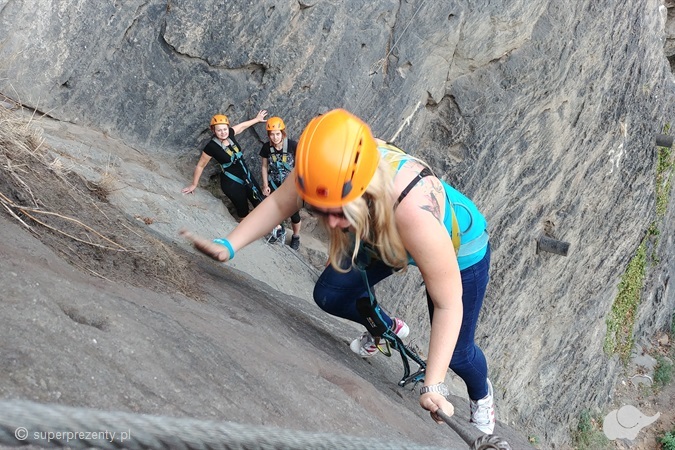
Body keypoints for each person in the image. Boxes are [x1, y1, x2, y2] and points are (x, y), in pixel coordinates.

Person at [180, 108, 495, 434]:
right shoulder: (324, 170)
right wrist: (229, 245)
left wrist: (434, 385)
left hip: (459, 250)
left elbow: (447, 303)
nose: (328, 223)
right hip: (378, 230)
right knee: (330, 294)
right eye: (320, 211)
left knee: (456, 354)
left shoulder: (413, 212)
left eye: (335, 211)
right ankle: (386, 327)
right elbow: (279, 203)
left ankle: (481, 395)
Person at [182, 110, 267, 219]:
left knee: (260, 201)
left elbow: (241, 127)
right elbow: (201, 165)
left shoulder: (230, 134)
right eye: (219, 130)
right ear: (214, 131)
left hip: (246, 176)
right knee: (243, 211)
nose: (223, 132)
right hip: (232, 183)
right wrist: (194, 184)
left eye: (225, 129)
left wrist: (257, 119)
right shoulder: (211, 147)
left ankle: (274, 229)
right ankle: (247, 232)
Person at [259, 116, 302, 250]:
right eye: (272, 134)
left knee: (294, 213)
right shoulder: (266, 148)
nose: (275, 137)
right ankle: (277, 230)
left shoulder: (292, 145)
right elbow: (264, 167)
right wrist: (266, 185)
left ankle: (296, 236)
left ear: (282, 133)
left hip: (290, 184)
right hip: (274, 182)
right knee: (271, 207)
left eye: (277, 134)